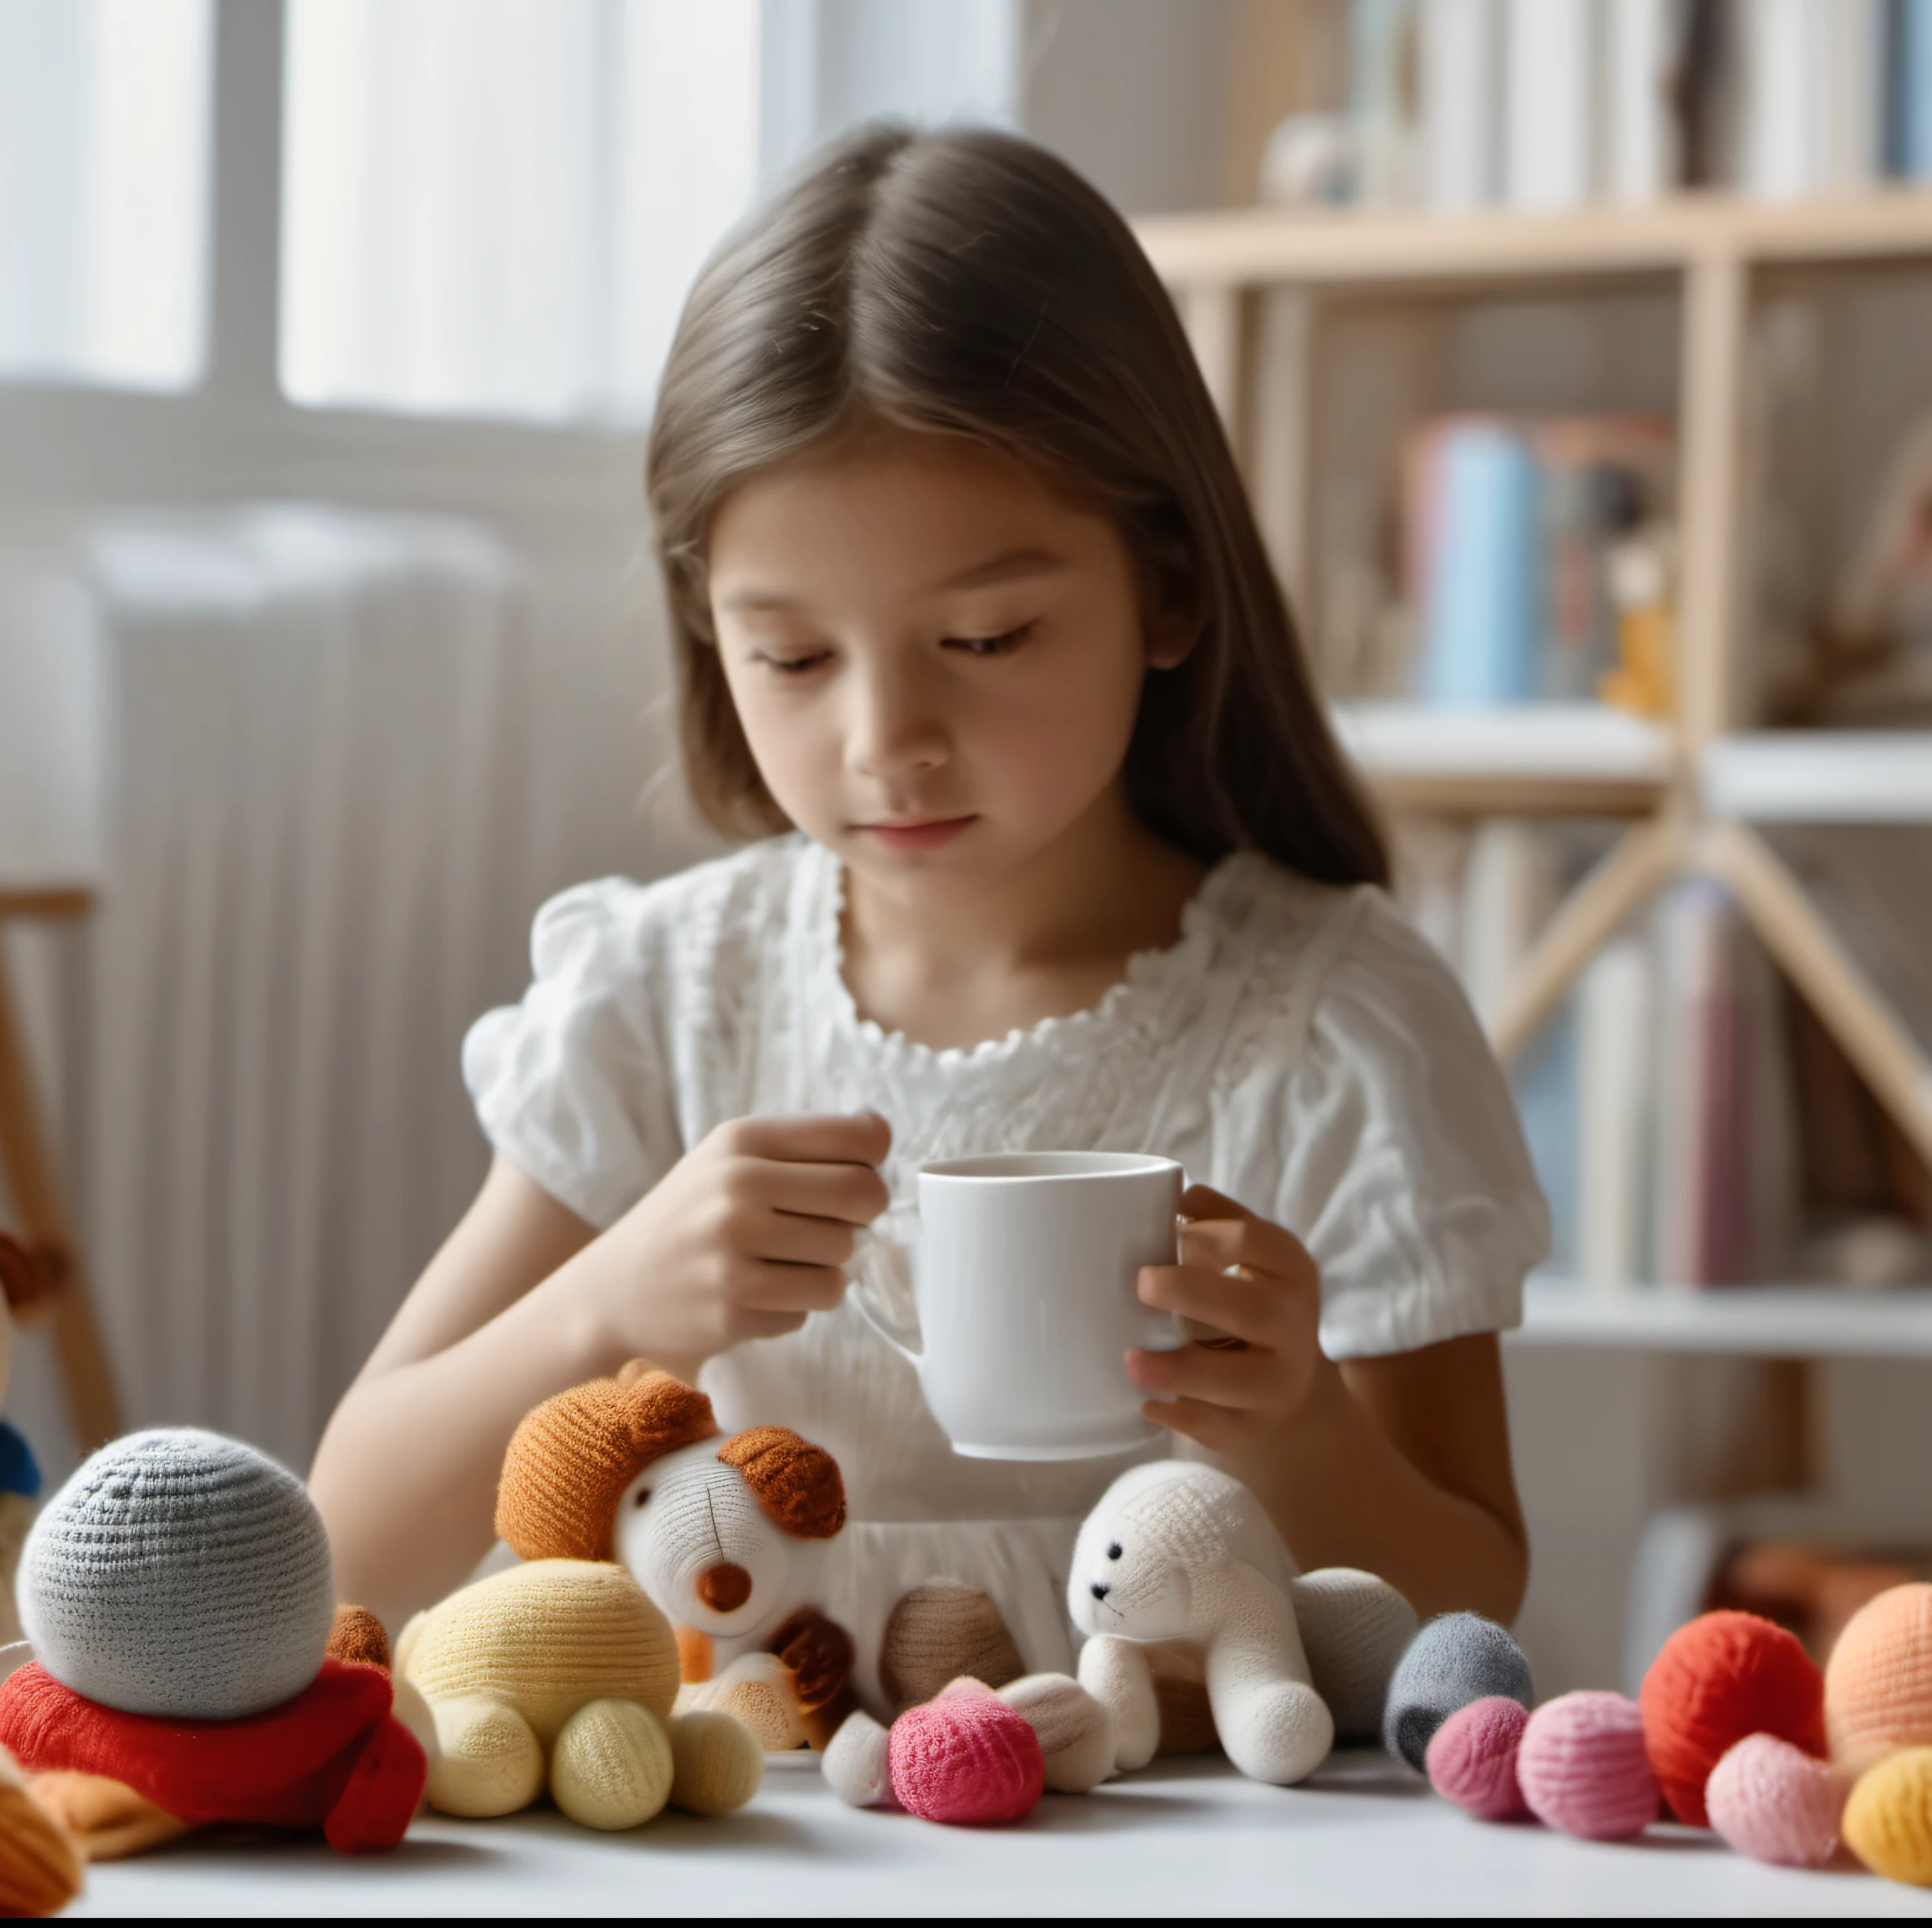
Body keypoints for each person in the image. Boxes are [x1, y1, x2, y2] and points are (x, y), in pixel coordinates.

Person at [311, 127, 1546, 1680]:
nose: (886, 742)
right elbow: (348, 1536)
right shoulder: (667, 999)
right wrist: (609, 1303)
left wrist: (1300, 1429)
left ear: (1166, 586)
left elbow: (1466, 1615)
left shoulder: (1336, 1027)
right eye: (796, 657)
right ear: (709, 630)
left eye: (986, 638)